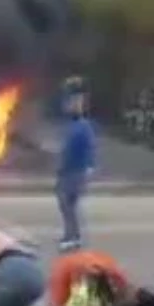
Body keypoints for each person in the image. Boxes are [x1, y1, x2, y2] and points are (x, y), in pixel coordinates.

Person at [56, 88, 95, 251]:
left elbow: (90, 147)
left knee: (67, 205)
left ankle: (72, 237)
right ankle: (72, 235)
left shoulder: (83, 126)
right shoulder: (72, 126)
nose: (72, 106)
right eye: (72, 103)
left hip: (75, 172)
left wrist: (90, 166)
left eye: (76, 104)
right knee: (66, 205)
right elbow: (67, 148)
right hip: (67, 171)